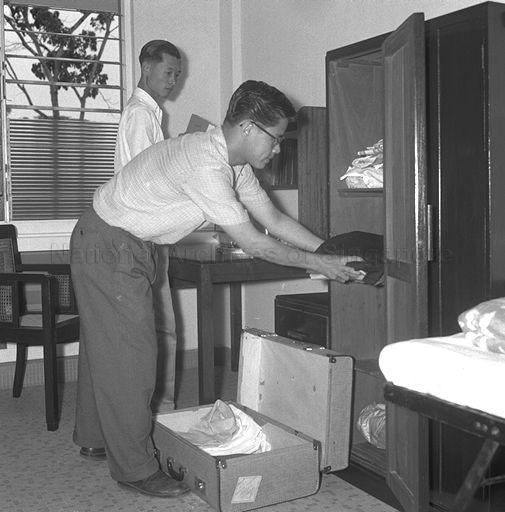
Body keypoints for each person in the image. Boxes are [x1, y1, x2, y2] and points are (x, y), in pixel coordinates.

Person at [70, 80, 363, 498]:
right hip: (109, 243)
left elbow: (274, 220)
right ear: (248, 128)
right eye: (275, 138)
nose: (278, 149)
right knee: (132, 357)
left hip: (123, 240)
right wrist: (320, 266)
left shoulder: (233, 164)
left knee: (109, 347)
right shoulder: (204, 164)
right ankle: (135, 469)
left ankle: (97, 438)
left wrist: (330, 252)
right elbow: (256, 243)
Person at [114, 39, 182, 416]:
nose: (173, 81)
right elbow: (146, 180)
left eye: (177, 75)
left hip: (147, 231)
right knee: (161, 329)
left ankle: (157, 408)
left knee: (159, 327)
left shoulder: (149, 115)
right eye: (168, 72)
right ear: (146, 68)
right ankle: (160, 411)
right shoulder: (141, 115)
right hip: (144, 234)